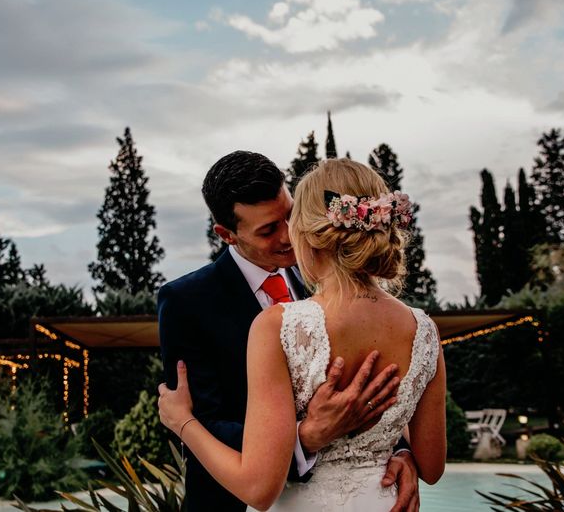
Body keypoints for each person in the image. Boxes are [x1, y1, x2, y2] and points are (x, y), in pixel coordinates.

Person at [158, 157, 446, 511]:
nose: (288, 235)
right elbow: (210, 418)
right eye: (267, 230)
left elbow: (393, 417)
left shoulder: (300, 302)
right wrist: (305, 437)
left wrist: (400, 452)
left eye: (291, 217)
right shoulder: (186, 302)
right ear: (227, 234)